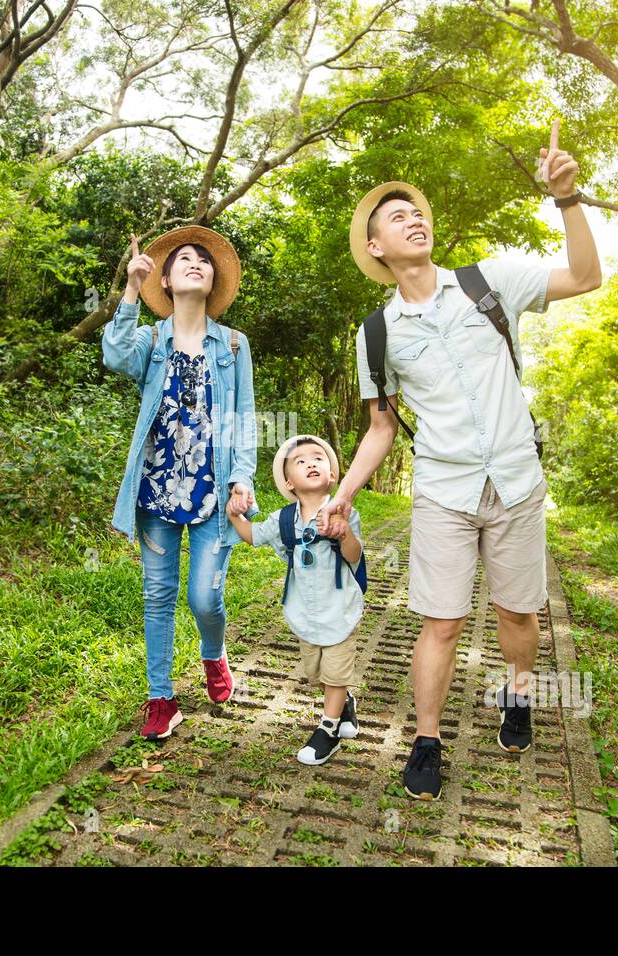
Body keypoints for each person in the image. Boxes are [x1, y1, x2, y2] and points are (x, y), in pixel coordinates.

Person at [322, 121, 602, 799]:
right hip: (443, 490)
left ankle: (519, 690)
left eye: (417, 211)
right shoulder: (376, 332)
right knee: (440, 621)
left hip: (515, 482)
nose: (413, 219)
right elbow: (381, 427)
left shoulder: (490, 282)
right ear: (375, 246)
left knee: (517, 615)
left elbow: (588, 277)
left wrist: (568, 200)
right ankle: (427, 740)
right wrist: (345, 494)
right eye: (397, 216)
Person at [101, 226, 259, 741]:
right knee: (157, 594)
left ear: (213, 280)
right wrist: (130, 287)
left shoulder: (234, 345)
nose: (194, 263)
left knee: (204, 599)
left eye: (203, 260)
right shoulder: (150, 341)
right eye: (182, 259)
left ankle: (213, 655)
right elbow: (114, 356)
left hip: (215, 496)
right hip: (155, 488)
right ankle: (160, 698)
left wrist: (242, 478)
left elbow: (244, 418)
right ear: (165, 280)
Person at [227, 434, 365, 765]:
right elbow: (253, 536)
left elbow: (355, 555)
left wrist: (343, 533)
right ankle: (344, 703)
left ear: (332, 475)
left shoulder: (344, 512)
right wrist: (235, 515)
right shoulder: (284, 519)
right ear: (290, 482)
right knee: (317, 674)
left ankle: (327, 730)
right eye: (300, 461)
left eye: (318, 458)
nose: (311, 463)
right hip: (305, 612)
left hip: (340, 609)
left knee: (335, 672)